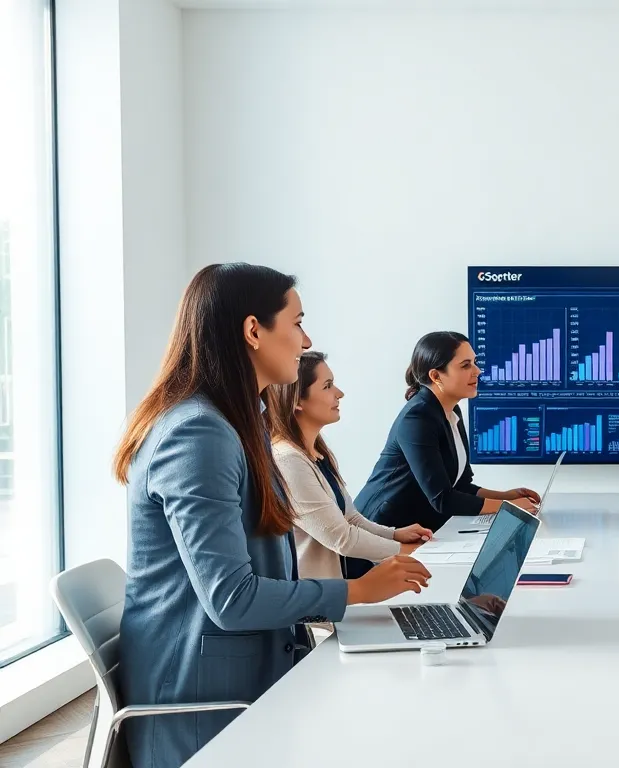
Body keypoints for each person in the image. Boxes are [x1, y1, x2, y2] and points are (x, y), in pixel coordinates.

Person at [113, 263, 432, 768]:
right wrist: (359, 591)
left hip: (257, 666)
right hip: (205, 706)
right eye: (298, 322)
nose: (305, 341)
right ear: (254, 331)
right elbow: (231, 598)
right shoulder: (197, 434)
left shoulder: (240, 426)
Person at [268, 351, 434, 582]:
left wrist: (395, 534)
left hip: (334, 589)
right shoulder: (288, 460)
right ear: (297, 401)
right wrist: (407, 552)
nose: (340, 394)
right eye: (327, 386)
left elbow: (351, 518)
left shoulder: (316, 452)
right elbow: (341, 538)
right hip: (314, 605)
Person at [354, 331, 540, 535]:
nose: (477, 371)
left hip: (417, 528)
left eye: (475, 362)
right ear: (436, 376)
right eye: (465, 365)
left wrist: (506, 496)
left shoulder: (451, 411)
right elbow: (443, 499)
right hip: (384, 530)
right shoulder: (417, 418)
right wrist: (508, 507)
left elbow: (460, 485)